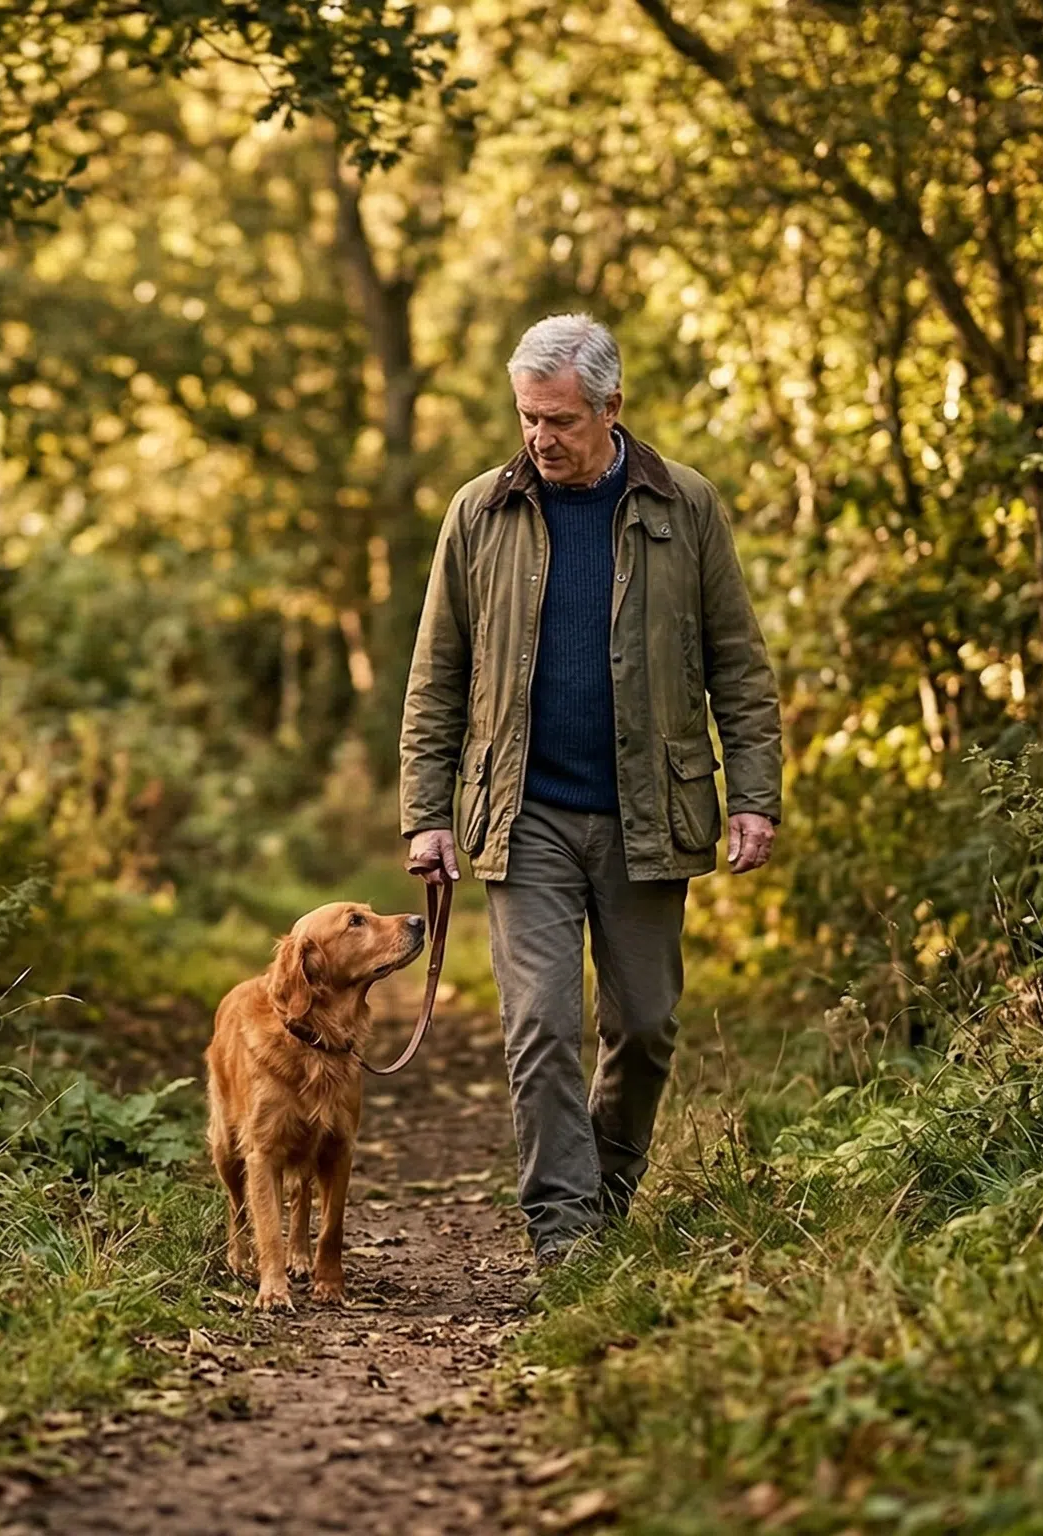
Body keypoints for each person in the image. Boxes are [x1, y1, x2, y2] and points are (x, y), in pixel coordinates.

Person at [397, 313, 784, 1270]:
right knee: (541, 1025)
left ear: (611, 407)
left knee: (644, 1028)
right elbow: (436, 675)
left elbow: (738, 662)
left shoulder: (683, 506)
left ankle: (605, 1199)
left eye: (560, 419)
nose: (540, 438)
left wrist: (755, 792)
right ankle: (564, 1233)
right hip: (520, 813)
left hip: (648, 813)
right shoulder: (478, 514)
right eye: (528, 418)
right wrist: (427, 814)